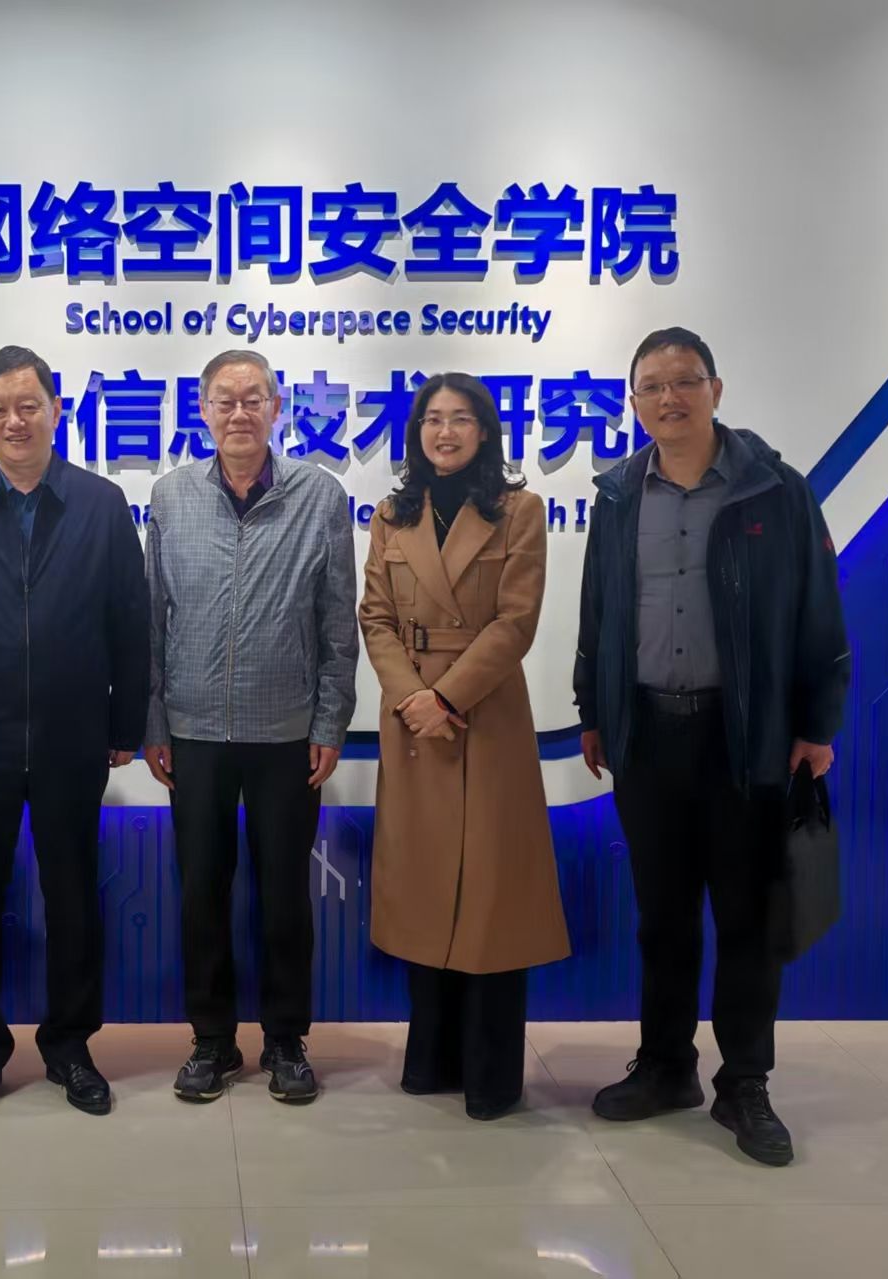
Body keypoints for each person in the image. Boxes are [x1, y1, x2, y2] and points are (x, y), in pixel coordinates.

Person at [574, 327, 850, 1166]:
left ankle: (746, 1083)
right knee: (662, 916)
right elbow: (599, 610)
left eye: (685, 381)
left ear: (716, 390)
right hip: (647, 731)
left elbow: (818, 610)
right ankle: (666, 1066)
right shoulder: (619, 494)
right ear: (634, 402)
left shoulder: (775, 490)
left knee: (746, 917)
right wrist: (593, 708)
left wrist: (817, 724)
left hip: (744, 734)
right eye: (652, 386)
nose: (670, 397)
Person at [0, 345, 148, 1124]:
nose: (15, 421)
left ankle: (70, 1047)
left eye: (28, 405)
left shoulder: (101, 503)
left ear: (56, 409)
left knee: (74, 897)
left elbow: (130, 620)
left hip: (73, 738)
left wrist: (127, 722)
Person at [144, 349, 358, 1105]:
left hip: (287, 733)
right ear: (203, 411)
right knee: (201, 893)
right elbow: (152, 618)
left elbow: (338, 622)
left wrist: (330, 718)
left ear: (277, 408)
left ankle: (286, 1040)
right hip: (194, 732)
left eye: (253, 399)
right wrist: (154, 719)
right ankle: (211, 1040)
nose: (239, 413)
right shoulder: (171, 496)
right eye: (224, 400)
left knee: (285, 897)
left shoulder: (319, 495)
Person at [358, 372, 570, 1119]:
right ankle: (433, 1058)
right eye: (431, 419)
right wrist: (411, 697)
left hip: (485, 718)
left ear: (485, 431)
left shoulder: (518, 510)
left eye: (460, 419)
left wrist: (446, 697)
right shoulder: (392, 513)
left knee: (490, 900)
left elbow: (516, 622)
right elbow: (375, 617)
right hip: (414, 720)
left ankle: (491, 1074)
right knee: (424, 890)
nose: (444, 432)